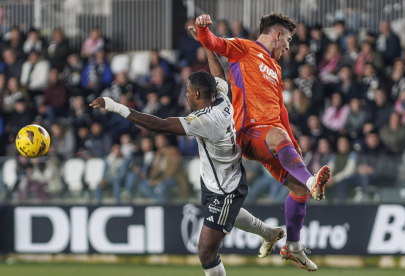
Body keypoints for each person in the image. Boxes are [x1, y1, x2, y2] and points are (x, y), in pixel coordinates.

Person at [90, 39, 286, 276]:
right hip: (219, 180)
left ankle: (267, 234)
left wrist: (114, 106)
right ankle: (269, 233)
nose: (185, 95)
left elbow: (158, 125)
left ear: (196, 93)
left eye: (187, 92)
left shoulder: (205, 120)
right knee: (227, 219)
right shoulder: (222, 99)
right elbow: (219, 75)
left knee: (205, 252)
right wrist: (207, 43)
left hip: (224, 189)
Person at [195, 13, 330, 271]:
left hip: (272, 139)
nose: (288, 47)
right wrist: (203, 29)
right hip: (248, 132)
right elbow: (214, 43)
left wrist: (292, 141)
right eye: (288, 40)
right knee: (300, 172)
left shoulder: (276, 68)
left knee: (299, 191)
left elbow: (281, 110)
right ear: (277, 34)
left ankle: (294, 247)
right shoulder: (244, 49)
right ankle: (312, 179)